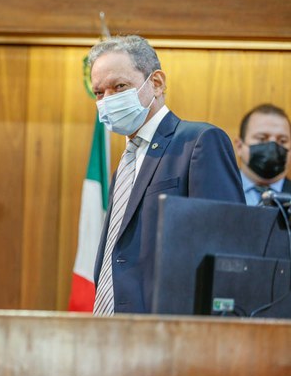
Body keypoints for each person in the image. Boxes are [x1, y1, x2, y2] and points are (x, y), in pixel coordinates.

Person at [88, 35, 245, 315]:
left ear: (157, 83)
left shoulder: (198, 141)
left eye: (119, 86)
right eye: (99, 93)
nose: (108, 100)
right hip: (113, 326)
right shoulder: (123, 166)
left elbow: (225, 254)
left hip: (168, 325)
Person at [234, 104, 291, 205]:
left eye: (282, 141)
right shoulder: (215, 191)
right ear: (239, 146)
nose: (272, 147)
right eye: (261, 138)